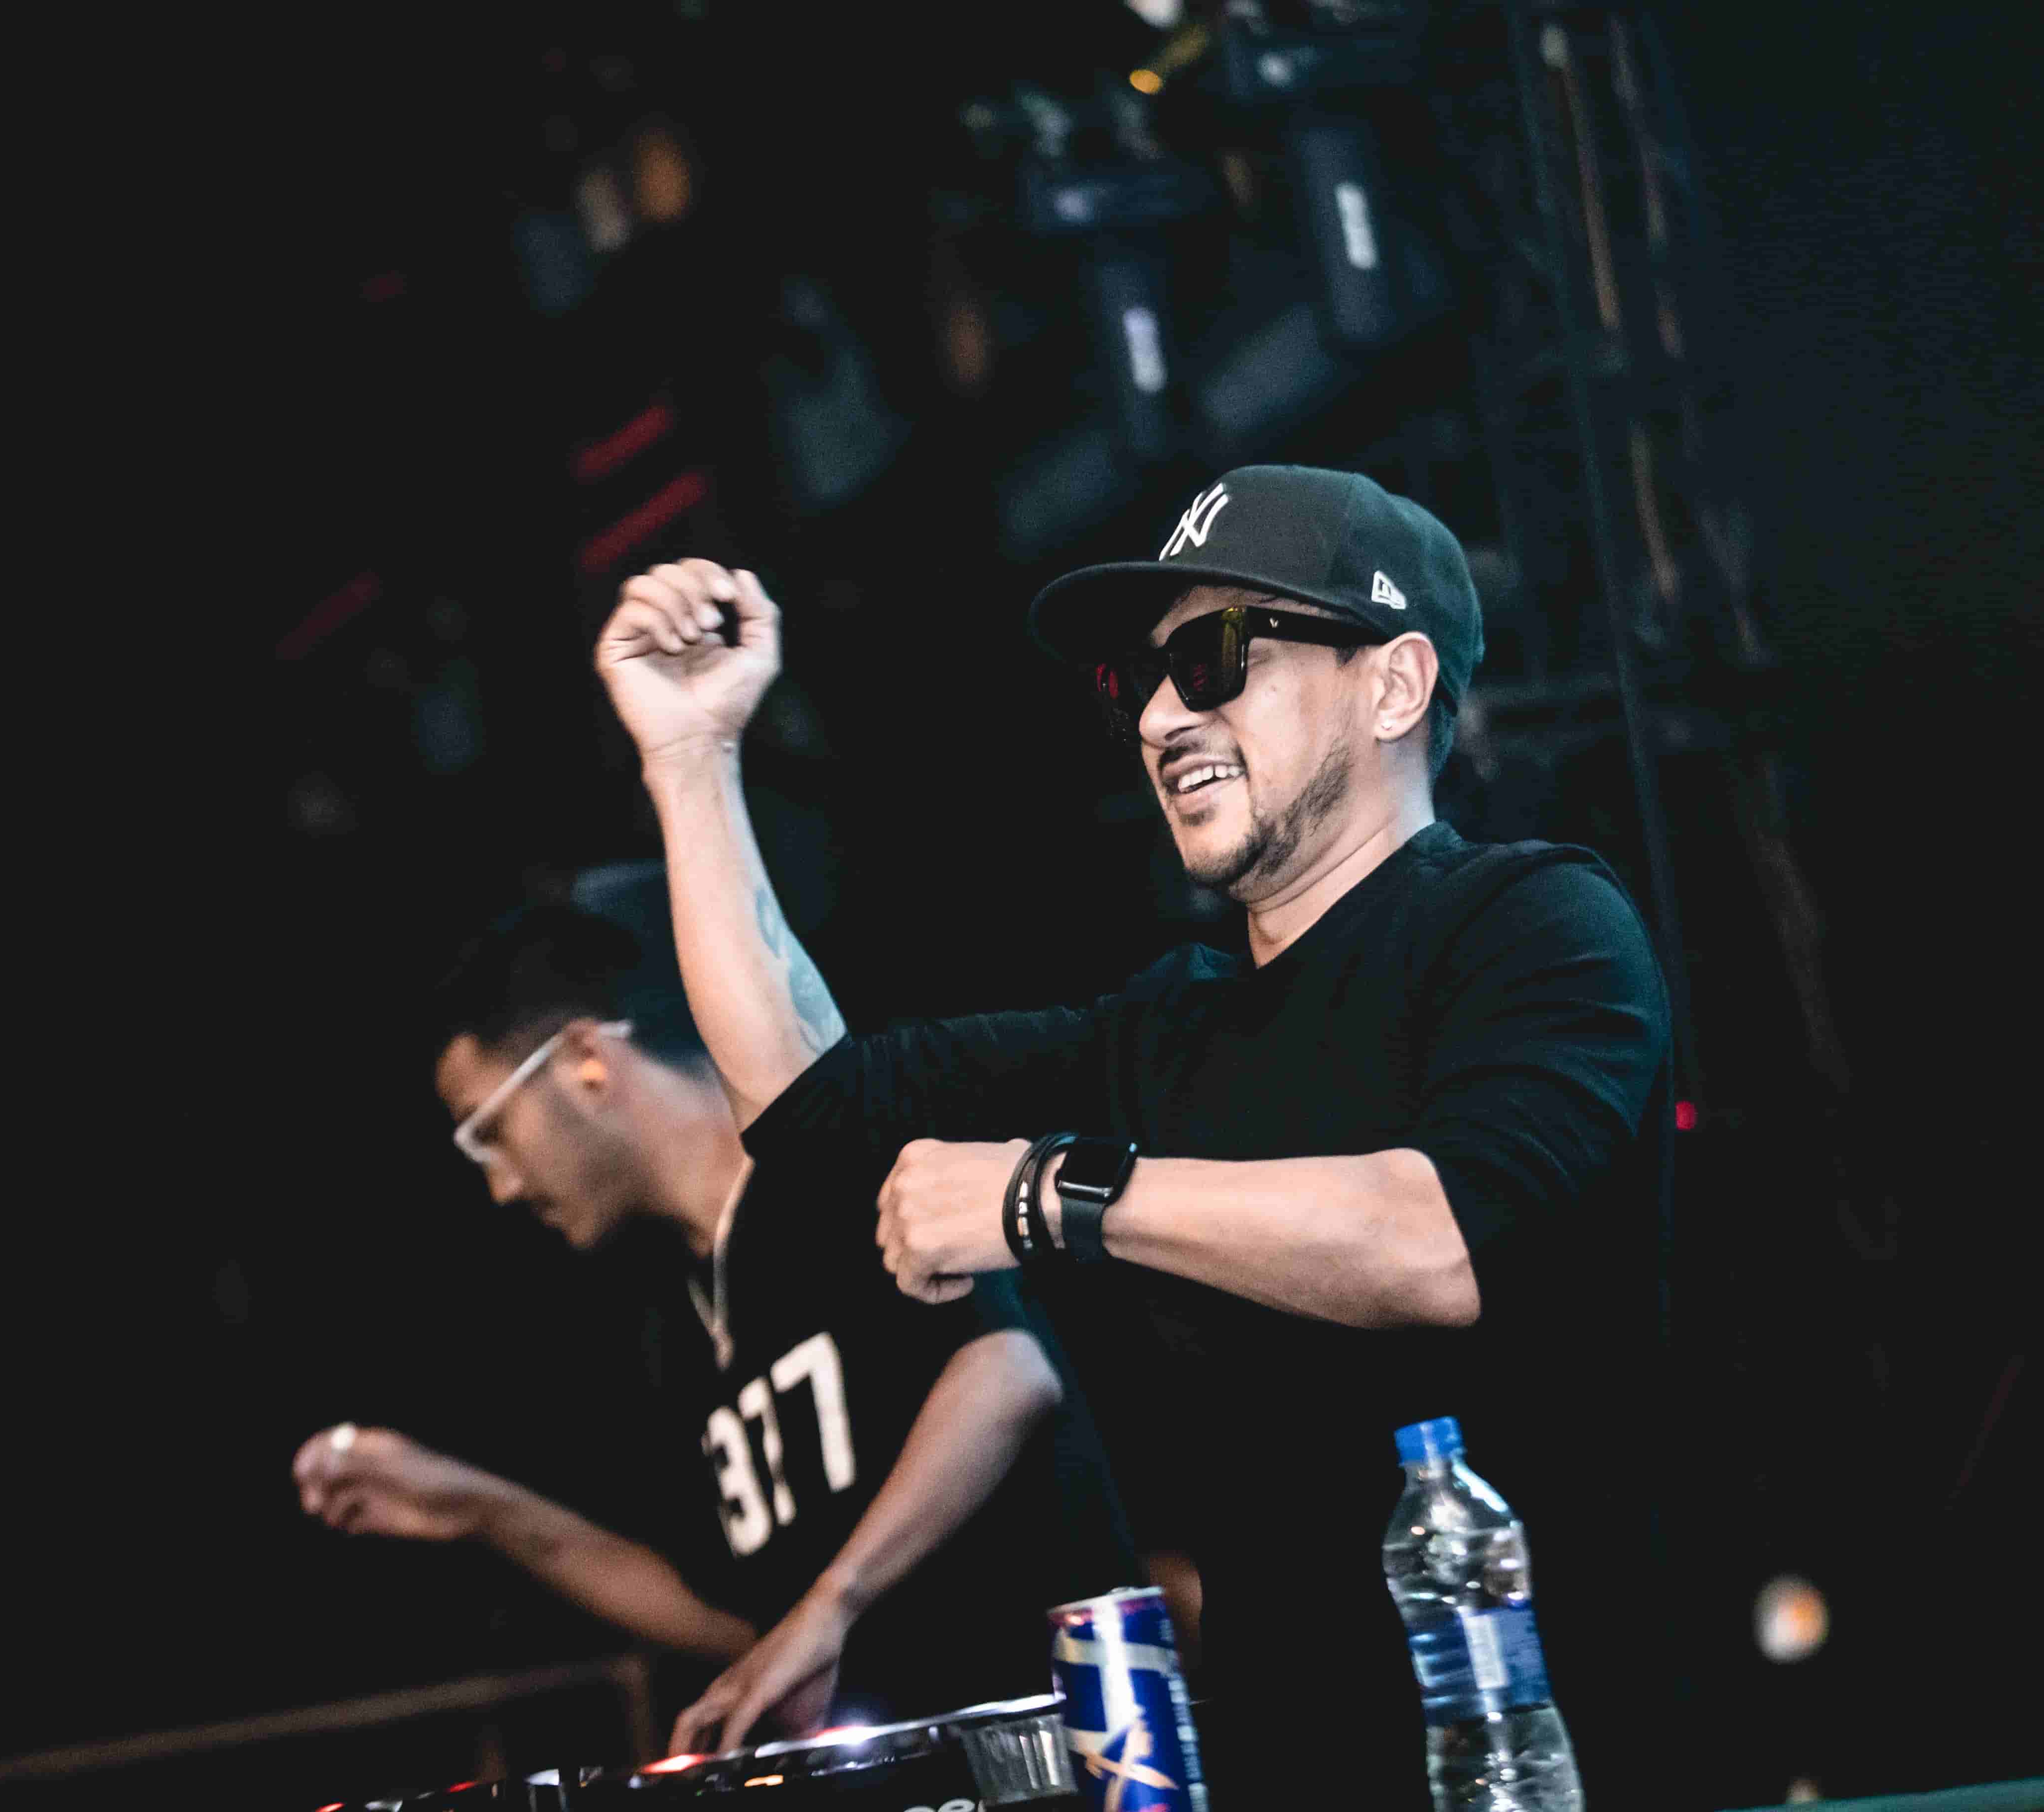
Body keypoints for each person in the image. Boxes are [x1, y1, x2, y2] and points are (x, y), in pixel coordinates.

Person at [594, 464, 1675, 1807]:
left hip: (1560, 1763)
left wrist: (1053, 1195)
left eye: (1215, 658)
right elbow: (804, 1104)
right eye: (1139, 681)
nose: (1164, 714)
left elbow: (1440, 1240)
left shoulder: (1534, 924)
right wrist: (691, 759)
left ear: (1394, 685)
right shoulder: (1165, 1031)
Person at [290, 903, 1139, 1754]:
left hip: (1068, 1752)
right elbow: (744, 1624)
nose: (501, 1185)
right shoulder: (672, 1318)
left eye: (490, 1132)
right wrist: (479, 1509)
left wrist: (830, 1604)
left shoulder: (832, 1152)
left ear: (586, 1060)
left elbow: (1007, 1371)